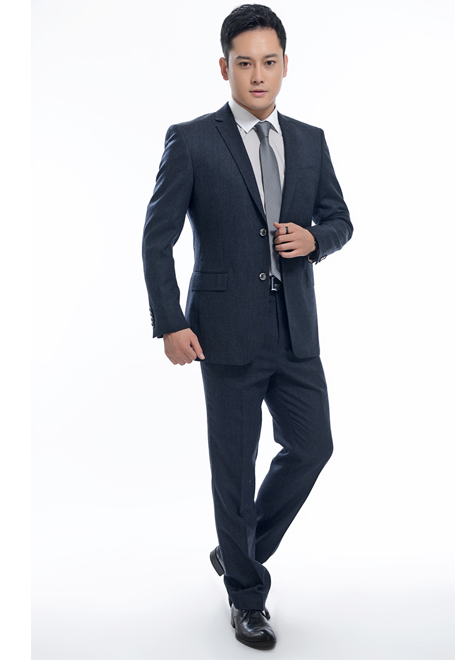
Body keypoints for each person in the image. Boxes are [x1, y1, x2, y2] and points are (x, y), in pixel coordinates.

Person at [142, 4, 353, 651]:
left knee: (312, 446)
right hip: (224, 332)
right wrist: (170, 322)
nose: (257, 75)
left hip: (295, 331)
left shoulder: (311, 140)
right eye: (244, 63)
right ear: (224, 67)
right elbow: (156, 239)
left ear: (285, 66)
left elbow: (341, 220)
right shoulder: (192, 140)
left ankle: (238, 549)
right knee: (233, 470)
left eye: (268, 62)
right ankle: (247, 597)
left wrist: (314, 240)